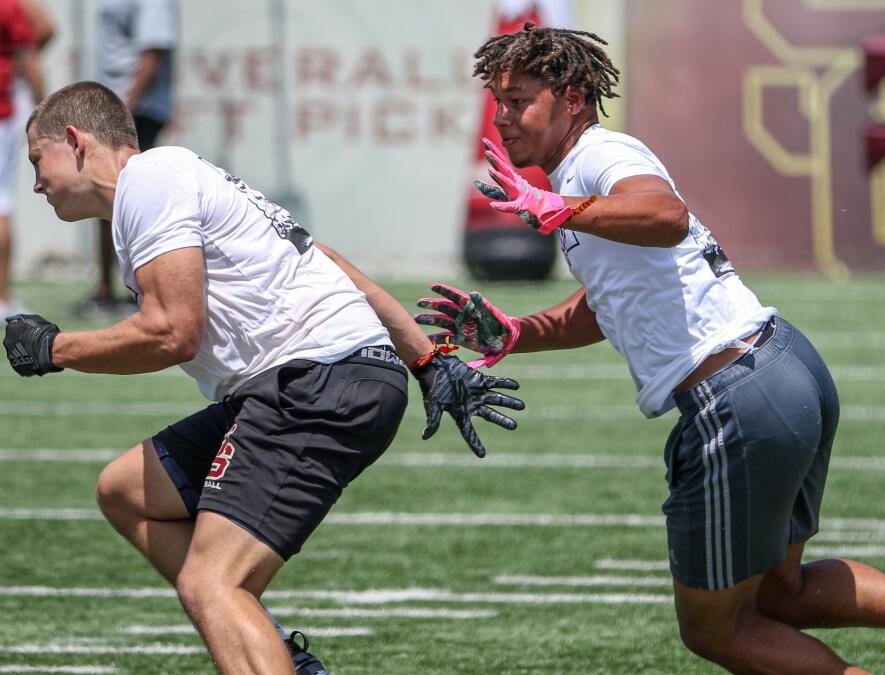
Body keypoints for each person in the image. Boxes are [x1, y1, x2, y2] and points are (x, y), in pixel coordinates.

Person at [412, 22, 885, 675]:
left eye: (518, 100)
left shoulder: (597, 162)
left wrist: (556, 209)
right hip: (783, 367)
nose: (503, 117)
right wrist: (518, 332)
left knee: (716, 628)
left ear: (573, 97)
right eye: (499, 102)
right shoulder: (580, 179)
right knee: (780, 592)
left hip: (735, 399)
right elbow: (610, 303)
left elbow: (667, 217)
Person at [5, 81, 524, 674]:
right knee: (126, 490)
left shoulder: (149, 180)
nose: (37, 182)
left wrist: (55, 348)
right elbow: (319, 258)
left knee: (211, 582)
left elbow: (175, 332)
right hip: (320, 375)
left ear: (75, 141)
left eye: (37, 161)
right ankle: (276, 657)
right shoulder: (173, 179)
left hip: (313, 379)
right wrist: (424, 358)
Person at [79, 0, 178, 317]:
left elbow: (152, 55)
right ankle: (108, 289)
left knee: (135, 198)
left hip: (138, 110)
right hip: (115, 105)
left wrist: (123, 110)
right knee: (104, 195)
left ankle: (147, 290)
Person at [0, 0, 44, 318]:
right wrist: (47, 114)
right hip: (2, 112)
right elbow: (31, 61)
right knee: (1, 203)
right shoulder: (10, 7)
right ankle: (2, 299)